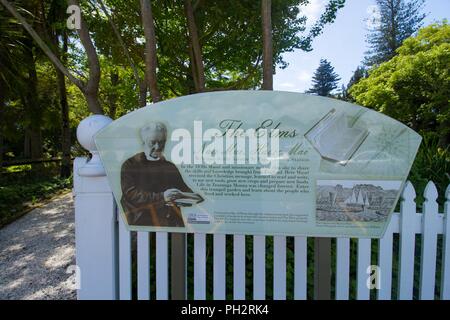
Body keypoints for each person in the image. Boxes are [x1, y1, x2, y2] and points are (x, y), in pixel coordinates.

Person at [120, 122, 193, 227]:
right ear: (143, 142)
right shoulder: (130, 165)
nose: (158, 146)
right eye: (152, 142)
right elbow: (131, 194)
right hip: (142, 222)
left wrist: (186, 197)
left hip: (171, 223)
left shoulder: (170, 167)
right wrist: (162, 196)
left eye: (161, 142)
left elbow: (184, 190)